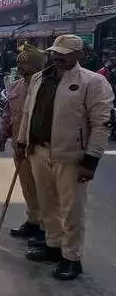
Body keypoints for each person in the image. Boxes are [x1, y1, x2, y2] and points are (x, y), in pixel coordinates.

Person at [16, 34, 113, 281]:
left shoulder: (94, 82)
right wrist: (21, 141)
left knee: (72, 210)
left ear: (79, 56)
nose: (57, 57)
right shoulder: (40, 78)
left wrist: (91, 160)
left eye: (64, 54)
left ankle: (71, 257)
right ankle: (52, 246)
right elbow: (28, 113)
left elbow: (101, 124)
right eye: (55, 53)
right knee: (47, 203)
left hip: (71, 157)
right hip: (39, 151)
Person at [0, 44, 46, 241]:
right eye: (19, 65)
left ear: (37, 67)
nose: (20, 68)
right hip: (19, 147)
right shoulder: (16, 86)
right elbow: (8, 113)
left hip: (40, 149)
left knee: (44, 190)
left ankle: (47, 229)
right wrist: (3, 134)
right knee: (27, 187)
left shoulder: (45, 88)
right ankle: (33, 221)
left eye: (26, 65)